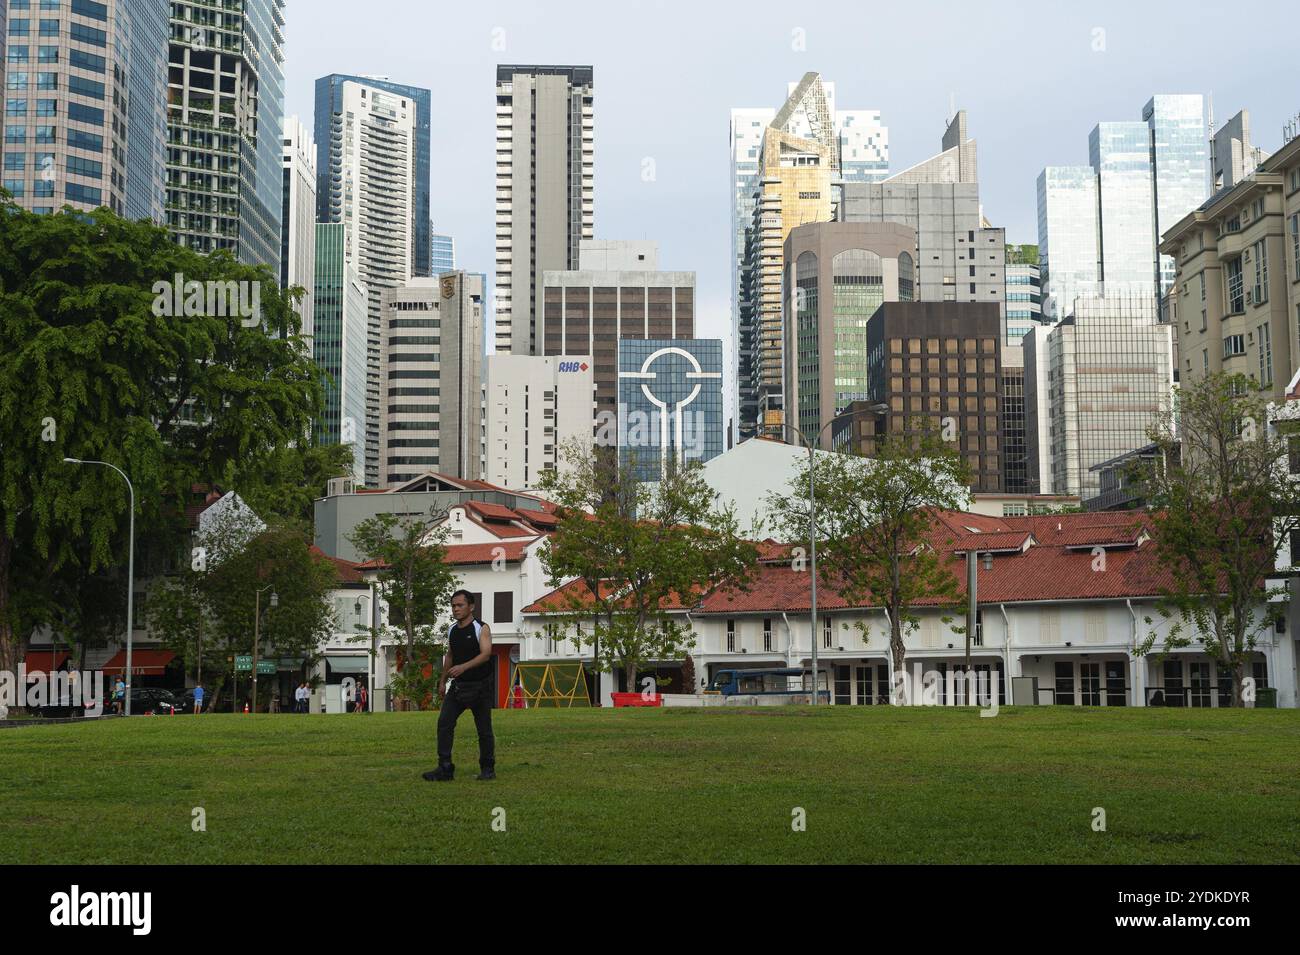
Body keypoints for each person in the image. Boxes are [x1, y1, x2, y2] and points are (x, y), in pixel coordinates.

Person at [424, 590, 495, 782]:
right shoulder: (452, 630)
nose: (455, 609)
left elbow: (486, 654)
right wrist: (442, 681)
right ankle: (445, 768)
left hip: (480, 686)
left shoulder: (481, 628)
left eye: (460, 605)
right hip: (458, 687)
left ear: (471, 607)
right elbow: (450, 656)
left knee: (484, 729)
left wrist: (463, 667)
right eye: (453, 605)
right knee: (444, 724)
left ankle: (487, 769)